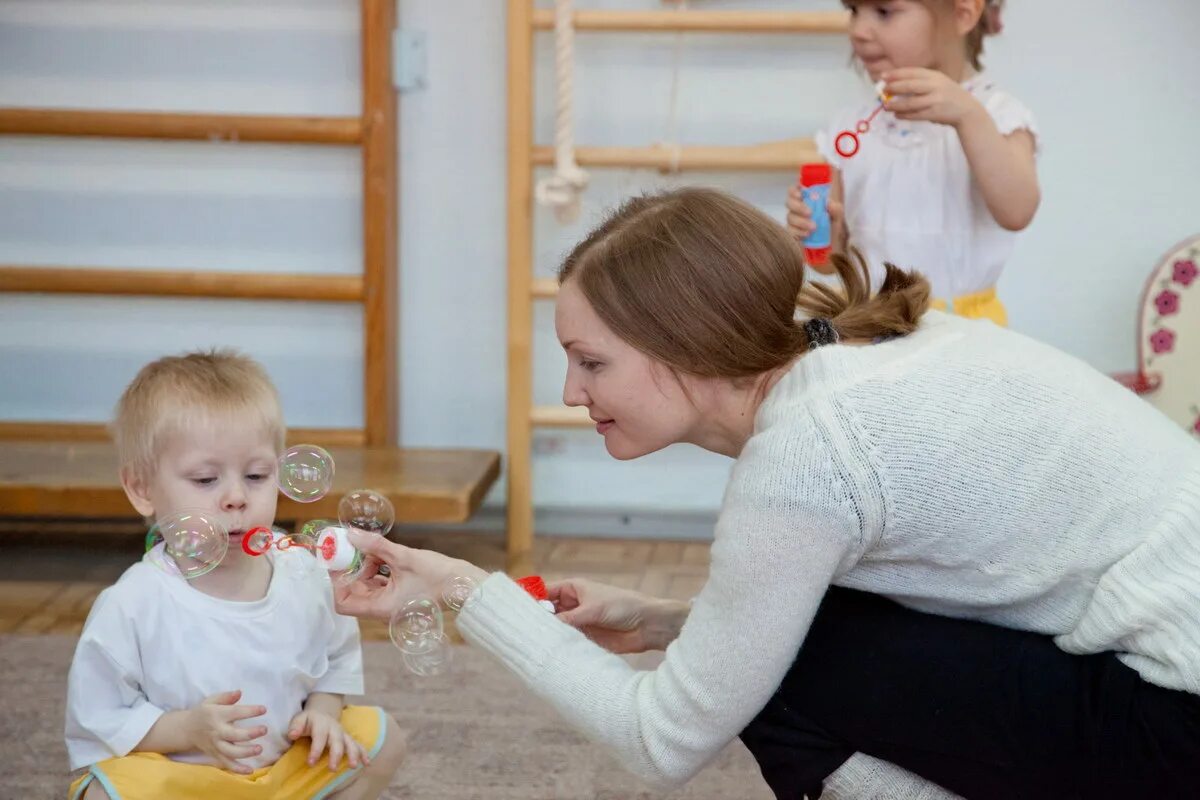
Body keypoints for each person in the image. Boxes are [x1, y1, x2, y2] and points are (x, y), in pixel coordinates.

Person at [335, 188, 1200, 799]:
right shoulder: (861, 361)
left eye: (592, 361)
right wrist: (672, 621)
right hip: (1162, 669)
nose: (570, 392)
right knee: (780, 647)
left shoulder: (807, 454)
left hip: (1177, 722)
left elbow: (662, 739)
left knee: (774, 686)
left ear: (685, 344)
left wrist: (466, 590)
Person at [65, 350, 405, 800]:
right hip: (185, 782)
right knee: (102, 793)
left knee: (383, 739)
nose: (236, 497)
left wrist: (323, 713)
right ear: (142, 489)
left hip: (284, 771)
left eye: (257, 475)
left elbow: (335, 663)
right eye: (206, 480)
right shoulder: (133, 602)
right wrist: (186, 729)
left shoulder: (303, 573)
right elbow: (99, 718)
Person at [787, 0, 1038, 326]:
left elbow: (1017, 211)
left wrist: (969, 116)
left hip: (968, 335)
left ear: (963, 13)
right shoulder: (848, 128)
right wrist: (820, 233)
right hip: (871, 327)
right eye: (853, 11)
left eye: (884, 11)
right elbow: (827, 263)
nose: (858, 30)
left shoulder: (998, 114)